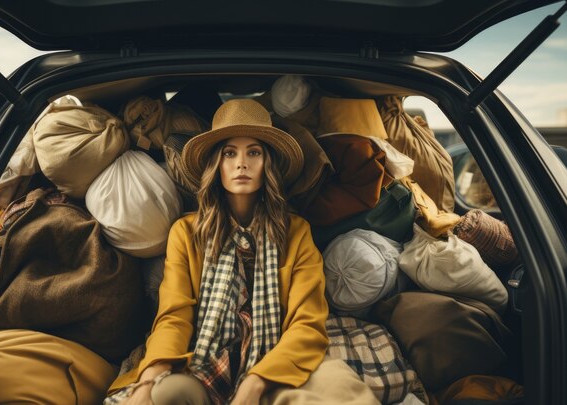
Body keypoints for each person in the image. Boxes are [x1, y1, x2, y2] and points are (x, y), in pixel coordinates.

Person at [106, 99, 378, 405]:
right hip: (203, 363)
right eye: (229, 153)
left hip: (275, 362)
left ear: (267, 165)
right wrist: (148, 380)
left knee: (334, 388)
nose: (241, 163)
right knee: (165, 395)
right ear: (216, 166)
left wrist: (256, 381)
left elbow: (307, 323)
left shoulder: (296, 231)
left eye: (254, 152)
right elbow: (174, 316)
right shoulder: (187, 232)